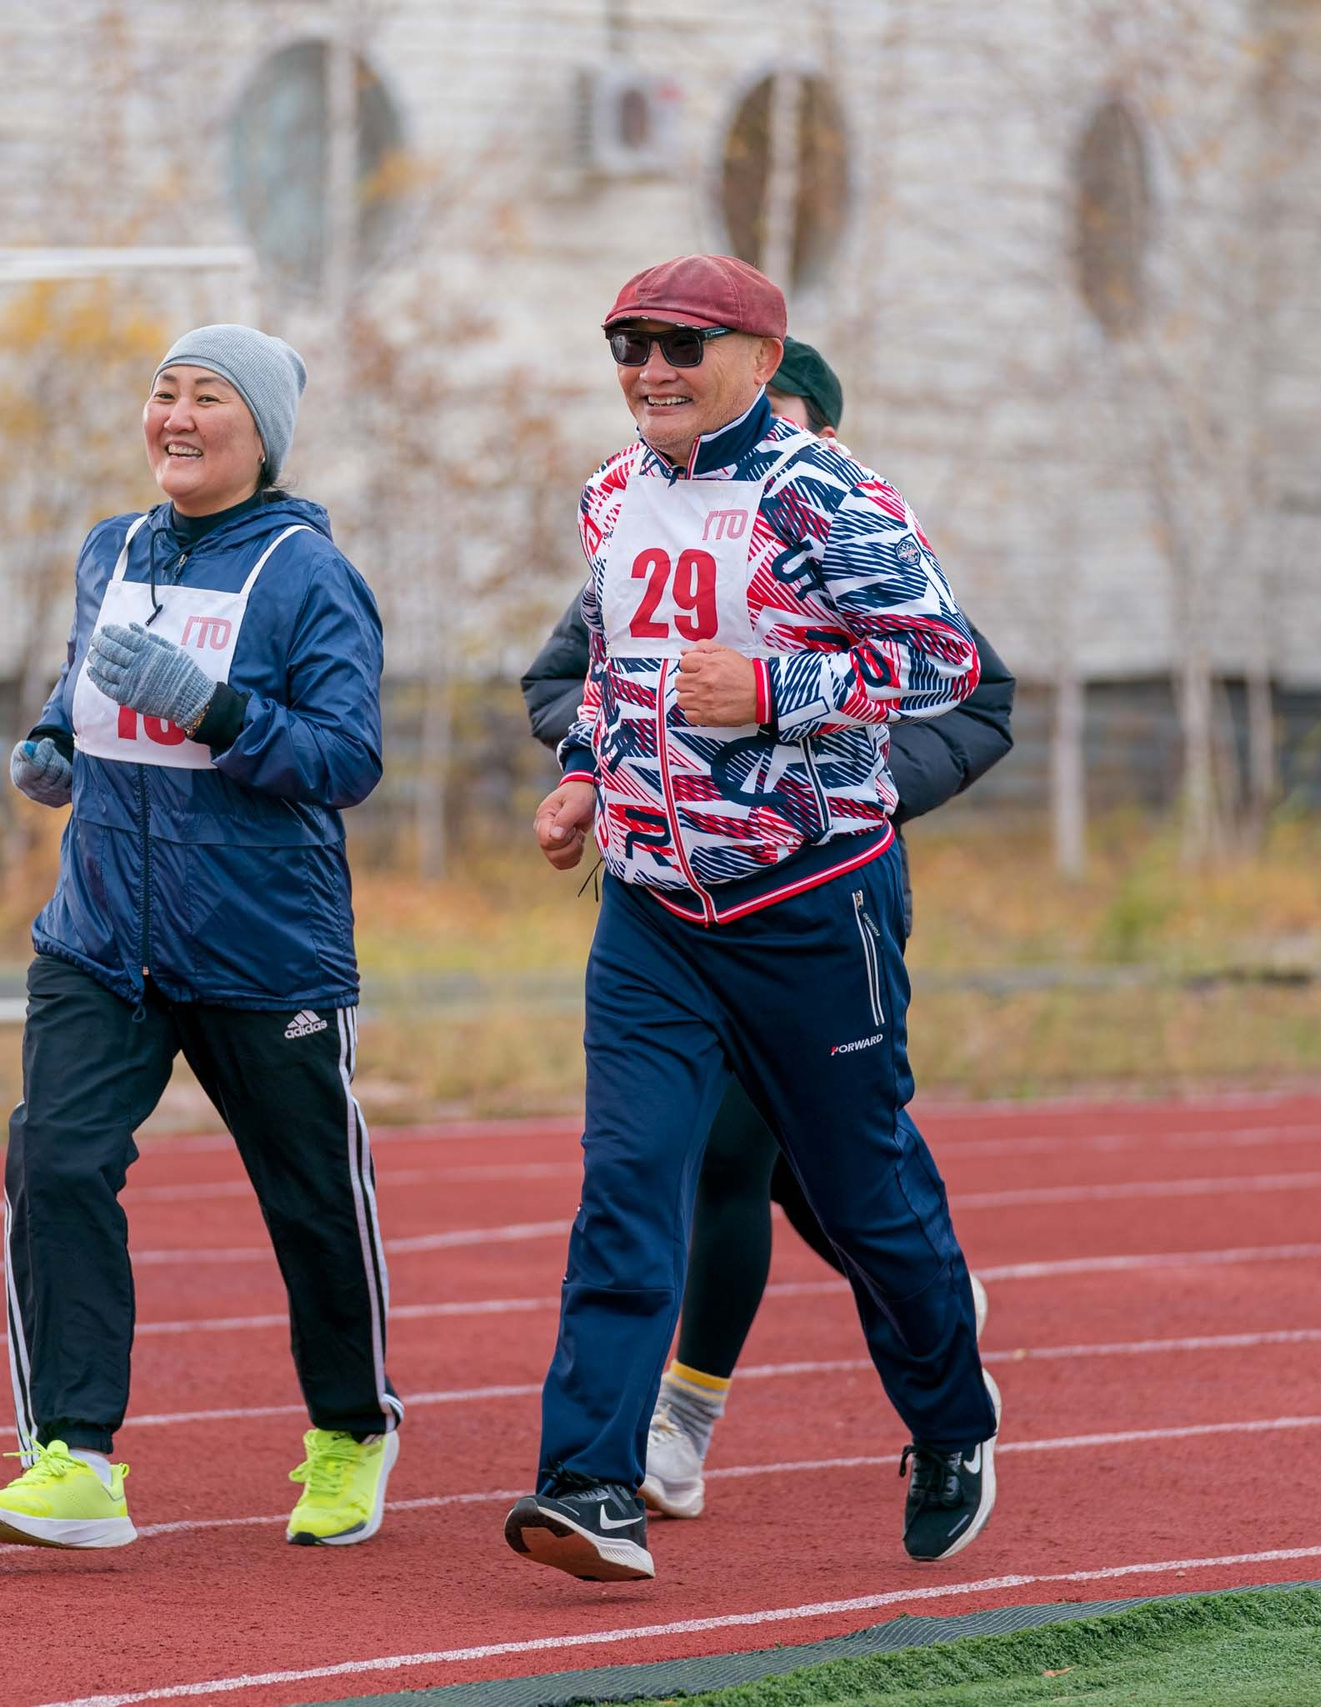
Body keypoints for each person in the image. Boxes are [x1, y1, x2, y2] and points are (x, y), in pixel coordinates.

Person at [503, 257, 998, 1583]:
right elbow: (618, 675)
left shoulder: (828, 493)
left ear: (761, 357)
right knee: (627, 1190)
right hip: (654, 911)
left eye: (683, 344)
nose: (651, 368)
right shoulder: (611, 493)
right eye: (629, 342)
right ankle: (593, 1481)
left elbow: (946, 661)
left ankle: (953, 1416)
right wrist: (583, 779)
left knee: (866, 1198)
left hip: (809, 900)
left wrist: (777, 686)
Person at [0, 324, 399, 1553]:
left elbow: (345, 759)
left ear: (259, 435)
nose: (176, 415)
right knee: (53, 1164)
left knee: (311, 1204)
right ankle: (75, 1457)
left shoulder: (310, 573)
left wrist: (213, 709)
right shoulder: (112, 548)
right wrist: (51, 745)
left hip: (263, 947)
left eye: (207, 396)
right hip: (102, 935)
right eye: (163, 392)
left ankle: (350, 1432)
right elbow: (85, 689)